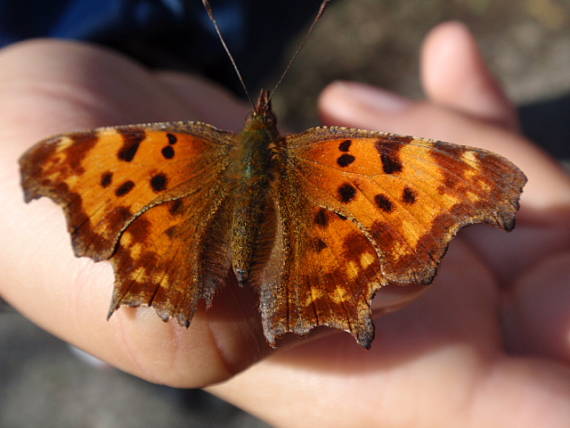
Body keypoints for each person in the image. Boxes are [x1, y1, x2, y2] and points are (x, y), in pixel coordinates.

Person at [0, 17, 569, 427]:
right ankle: (109, 349)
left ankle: (126, 333)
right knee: (152, 338)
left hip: (186, 183)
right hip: (130, 53)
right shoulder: (343, 154)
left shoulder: (168, 148)